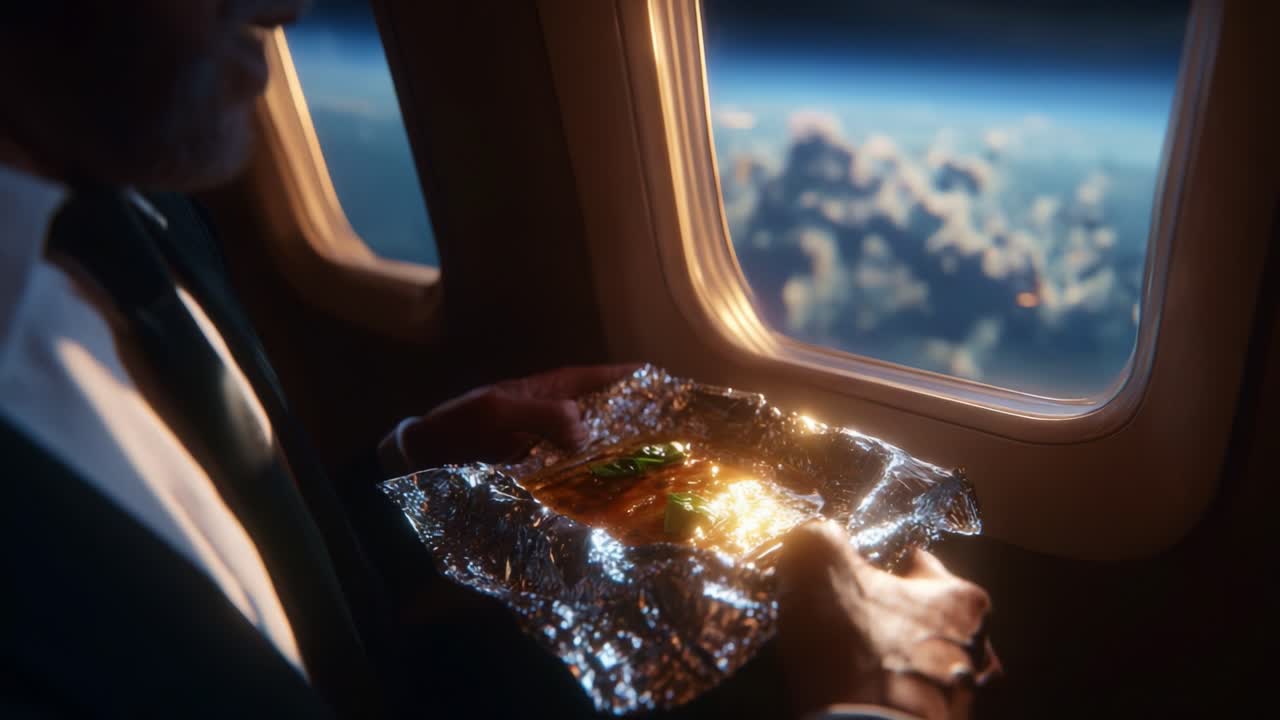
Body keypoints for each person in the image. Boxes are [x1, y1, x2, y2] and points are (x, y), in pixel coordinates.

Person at [0, 2, 995, 718]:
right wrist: (876, 705)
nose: (286, 7)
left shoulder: (136, 212)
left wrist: (411, 462)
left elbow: (242, 595)